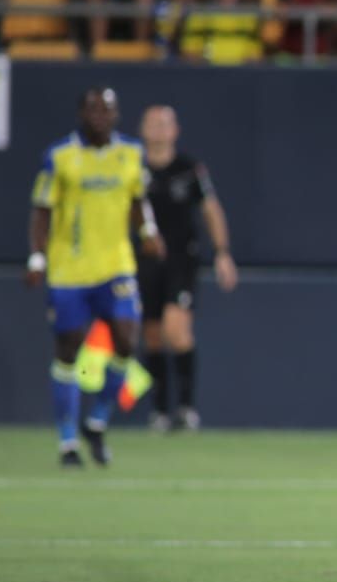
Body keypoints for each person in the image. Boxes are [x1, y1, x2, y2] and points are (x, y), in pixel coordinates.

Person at [25, 87, 166, 468]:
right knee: (69, 350)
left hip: (116, 266)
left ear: (117, 115)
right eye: (93, 111)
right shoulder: (60, 157)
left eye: (107, 110)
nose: (100, 117)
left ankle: (98, 420)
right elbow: (42, 209)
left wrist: (148, 230)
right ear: (81, 115)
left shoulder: (131, 154)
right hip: (69, 270)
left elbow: (138, 199)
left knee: (126, 340)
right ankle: (68, 441)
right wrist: (37, 257)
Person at [136, 105, 238, 433]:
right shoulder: (133, 169)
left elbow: (211, 209)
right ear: (142, 129)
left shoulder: (189, 169)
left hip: (181, 259)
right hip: (144, 261)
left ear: (175, 130)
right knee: (152, 335)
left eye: (165, 123)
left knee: (176, 330)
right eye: (153, 123)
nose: (158, 129)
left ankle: (186, 407)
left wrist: (222, 253)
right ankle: (159, 410)